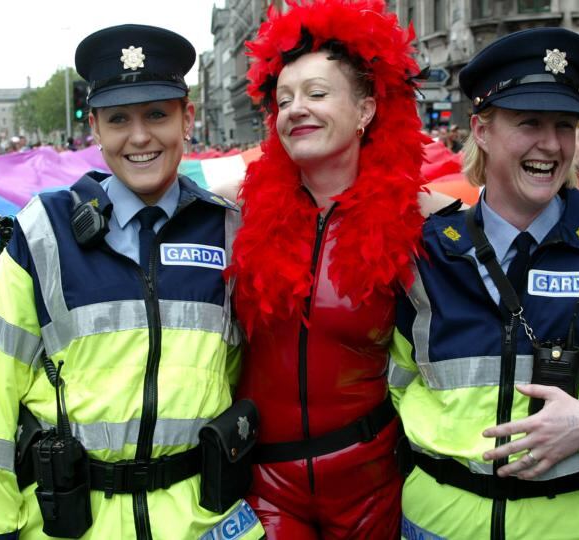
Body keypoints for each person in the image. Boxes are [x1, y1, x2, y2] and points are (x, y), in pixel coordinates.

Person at [0, 25, 264, 539]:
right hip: (74, 523)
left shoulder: (230, 231)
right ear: (94, 127)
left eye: (157, 114)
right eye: (119, 119)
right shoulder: (41, 233)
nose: (139, 137)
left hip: (205, 522)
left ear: (188, 118)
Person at [388, 28, 579, 539]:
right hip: (440, 525)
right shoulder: (428, 251)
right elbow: (397, 383)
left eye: (565, 125)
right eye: (528, 122)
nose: (551, 145)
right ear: (481, 131)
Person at [224, 1, 427, 536]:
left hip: (371, 479)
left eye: (316, 94)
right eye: (284, 99)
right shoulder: (231, 214)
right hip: (264, 478)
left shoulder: (422, 222)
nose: (295, 109)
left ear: (364, 110)